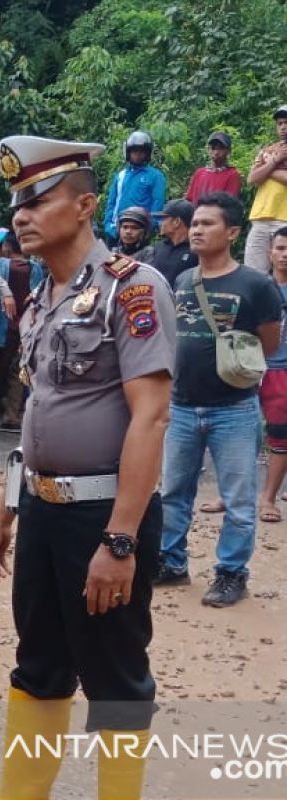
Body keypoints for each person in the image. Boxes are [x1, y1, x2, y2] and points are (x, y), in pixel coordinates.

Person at [0, 135, 176, 800]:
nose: (23, 213)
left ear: (87, 204)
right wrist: (5, 508)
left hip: (102, 513)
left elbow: (149, 418)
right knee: (38, 667)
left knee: (116, 675)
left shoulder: (133, 289)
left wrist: (119, 540)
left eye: (38, 198)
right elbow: (38, 414)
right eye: (16, 202)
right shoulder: (41, 296)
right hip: (41, 509)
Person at [155, 192, 283, 607]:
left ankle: (231, 573)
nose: (196, 229)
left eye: (207, 224)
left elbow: (268, 344)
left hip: (235, 409)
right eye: (194, 223)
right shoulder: (181, 280)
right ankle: (172, 563)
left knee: (239, 499)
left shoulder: (256, 284)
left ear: (232, 232)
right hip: (182, 404)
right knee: (174, 490)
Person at [0, 230, 41, 433]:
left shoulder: (1, 265)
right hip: (22, 328)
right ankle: (11, 417)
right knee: (17, 374)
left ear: (7, 247)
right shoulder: (36, 268)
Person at [257, 227, 287, 523]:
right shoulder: (257, 286)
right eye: (280, 248)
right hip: (253, 369)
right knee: (243, 432)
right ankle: (227, 495)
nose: (285, 254)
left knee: (280, 435)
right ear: (270, 252)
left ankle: (268, 498)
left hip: (284, 371)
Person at [102, 130, 167, 243]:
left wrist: (149, 230)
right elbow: (111, 203)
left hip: (138, 232)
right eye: (134, 151)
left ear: (147, 153)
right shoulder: (120, 175)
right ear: (128, 152)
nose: (138, 154)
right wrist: (108, 226)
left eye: (141, 151)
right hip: (116, 231)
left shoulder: (155, 176)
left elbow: (157, 206)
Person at [244, 105, 287, 272]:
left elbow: (259, 174)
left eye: (286, 123)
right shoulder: (268, 151)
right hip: (261, 217)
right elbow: (252, 179)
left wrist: (269, 168)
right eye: (280, 123)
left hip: (284, 219)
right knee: (253, 272)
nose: (283, 127)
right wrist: (275, 161)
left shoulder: (268, 156)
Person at [147, 199, 198, 288]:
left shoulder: (197, 250)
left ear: (176, 222)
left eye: (164, 219)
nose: (160, 224)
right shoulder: (158, 247)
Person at [186, 132, 240, 203]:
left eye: (221, 148)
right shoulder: (199, 173)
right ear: (208, 150)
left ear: (229, 151)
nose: (216, 152)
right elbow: (189, 199)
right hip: (196, 213)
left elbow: (229, 204)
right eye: (213, 148)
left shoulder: (232, 174)